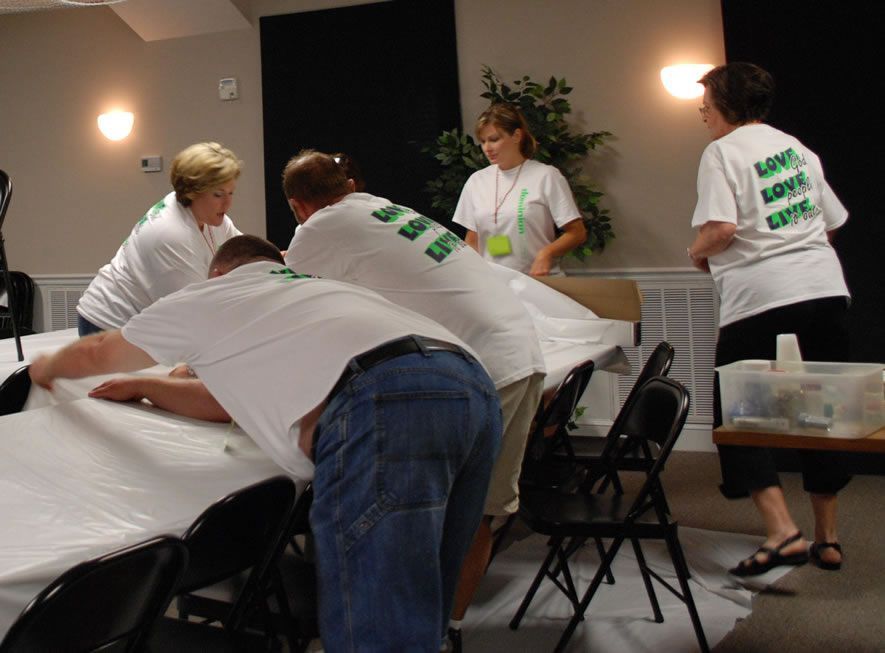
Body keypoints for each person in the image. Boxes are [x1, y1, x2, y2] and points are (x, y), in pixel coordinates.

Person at [30, 234, 502, 652]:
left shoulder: (212, 296)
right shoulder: (319, 290)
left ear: (216, 272)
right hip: (473, 389)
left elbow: (100, 351)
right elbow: (227, 401)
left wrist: (46, 368)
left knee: (378, 627)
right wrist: (151, 388)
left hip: (387, 402)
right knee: (423, 601)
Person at [281, 150, 547, 648]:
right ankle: (449, 630)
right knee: (480, 511)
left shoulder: (318, 229)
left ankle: (417, 632)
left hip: (477, 364)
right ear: (350, 182)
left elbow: (289, 307)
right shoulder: (383, 208)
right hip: (520, 351)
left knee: (419, 516)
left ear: (298, 206)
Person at [688, 62, 851, 575]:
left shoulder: (721, 152)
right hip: (824, 288)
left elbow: (720, 228)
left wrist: (696, 253)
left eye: (707, 103)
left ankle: (782, 532)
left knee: (739, 413)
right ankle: (828, 538)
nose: (702, 112)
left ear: (727, 106)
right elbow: (831, 224)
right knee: (826, 411)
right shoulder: (798, 148)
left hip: (758, 297)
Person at [76, 142, 243, 335]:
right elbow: (195, 311)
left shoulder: (211, 218)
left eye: (231, 193)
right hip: (108, 323)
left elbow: (246, 255)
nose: (228, 202)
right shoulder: (171, 234)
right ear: (192, 191)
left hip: (138, 321)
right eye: (218, 194)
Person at [453, 103, 586, 276]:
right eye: (483, 141)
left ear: (516, 136)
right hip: (496, 285)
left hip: (540, 282)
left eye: (494, 139)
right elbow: (472, 240)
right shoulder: (476, 181)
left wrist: (546, 254)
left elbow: (577, 233)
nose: (487, 148)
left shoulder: (546, 176)